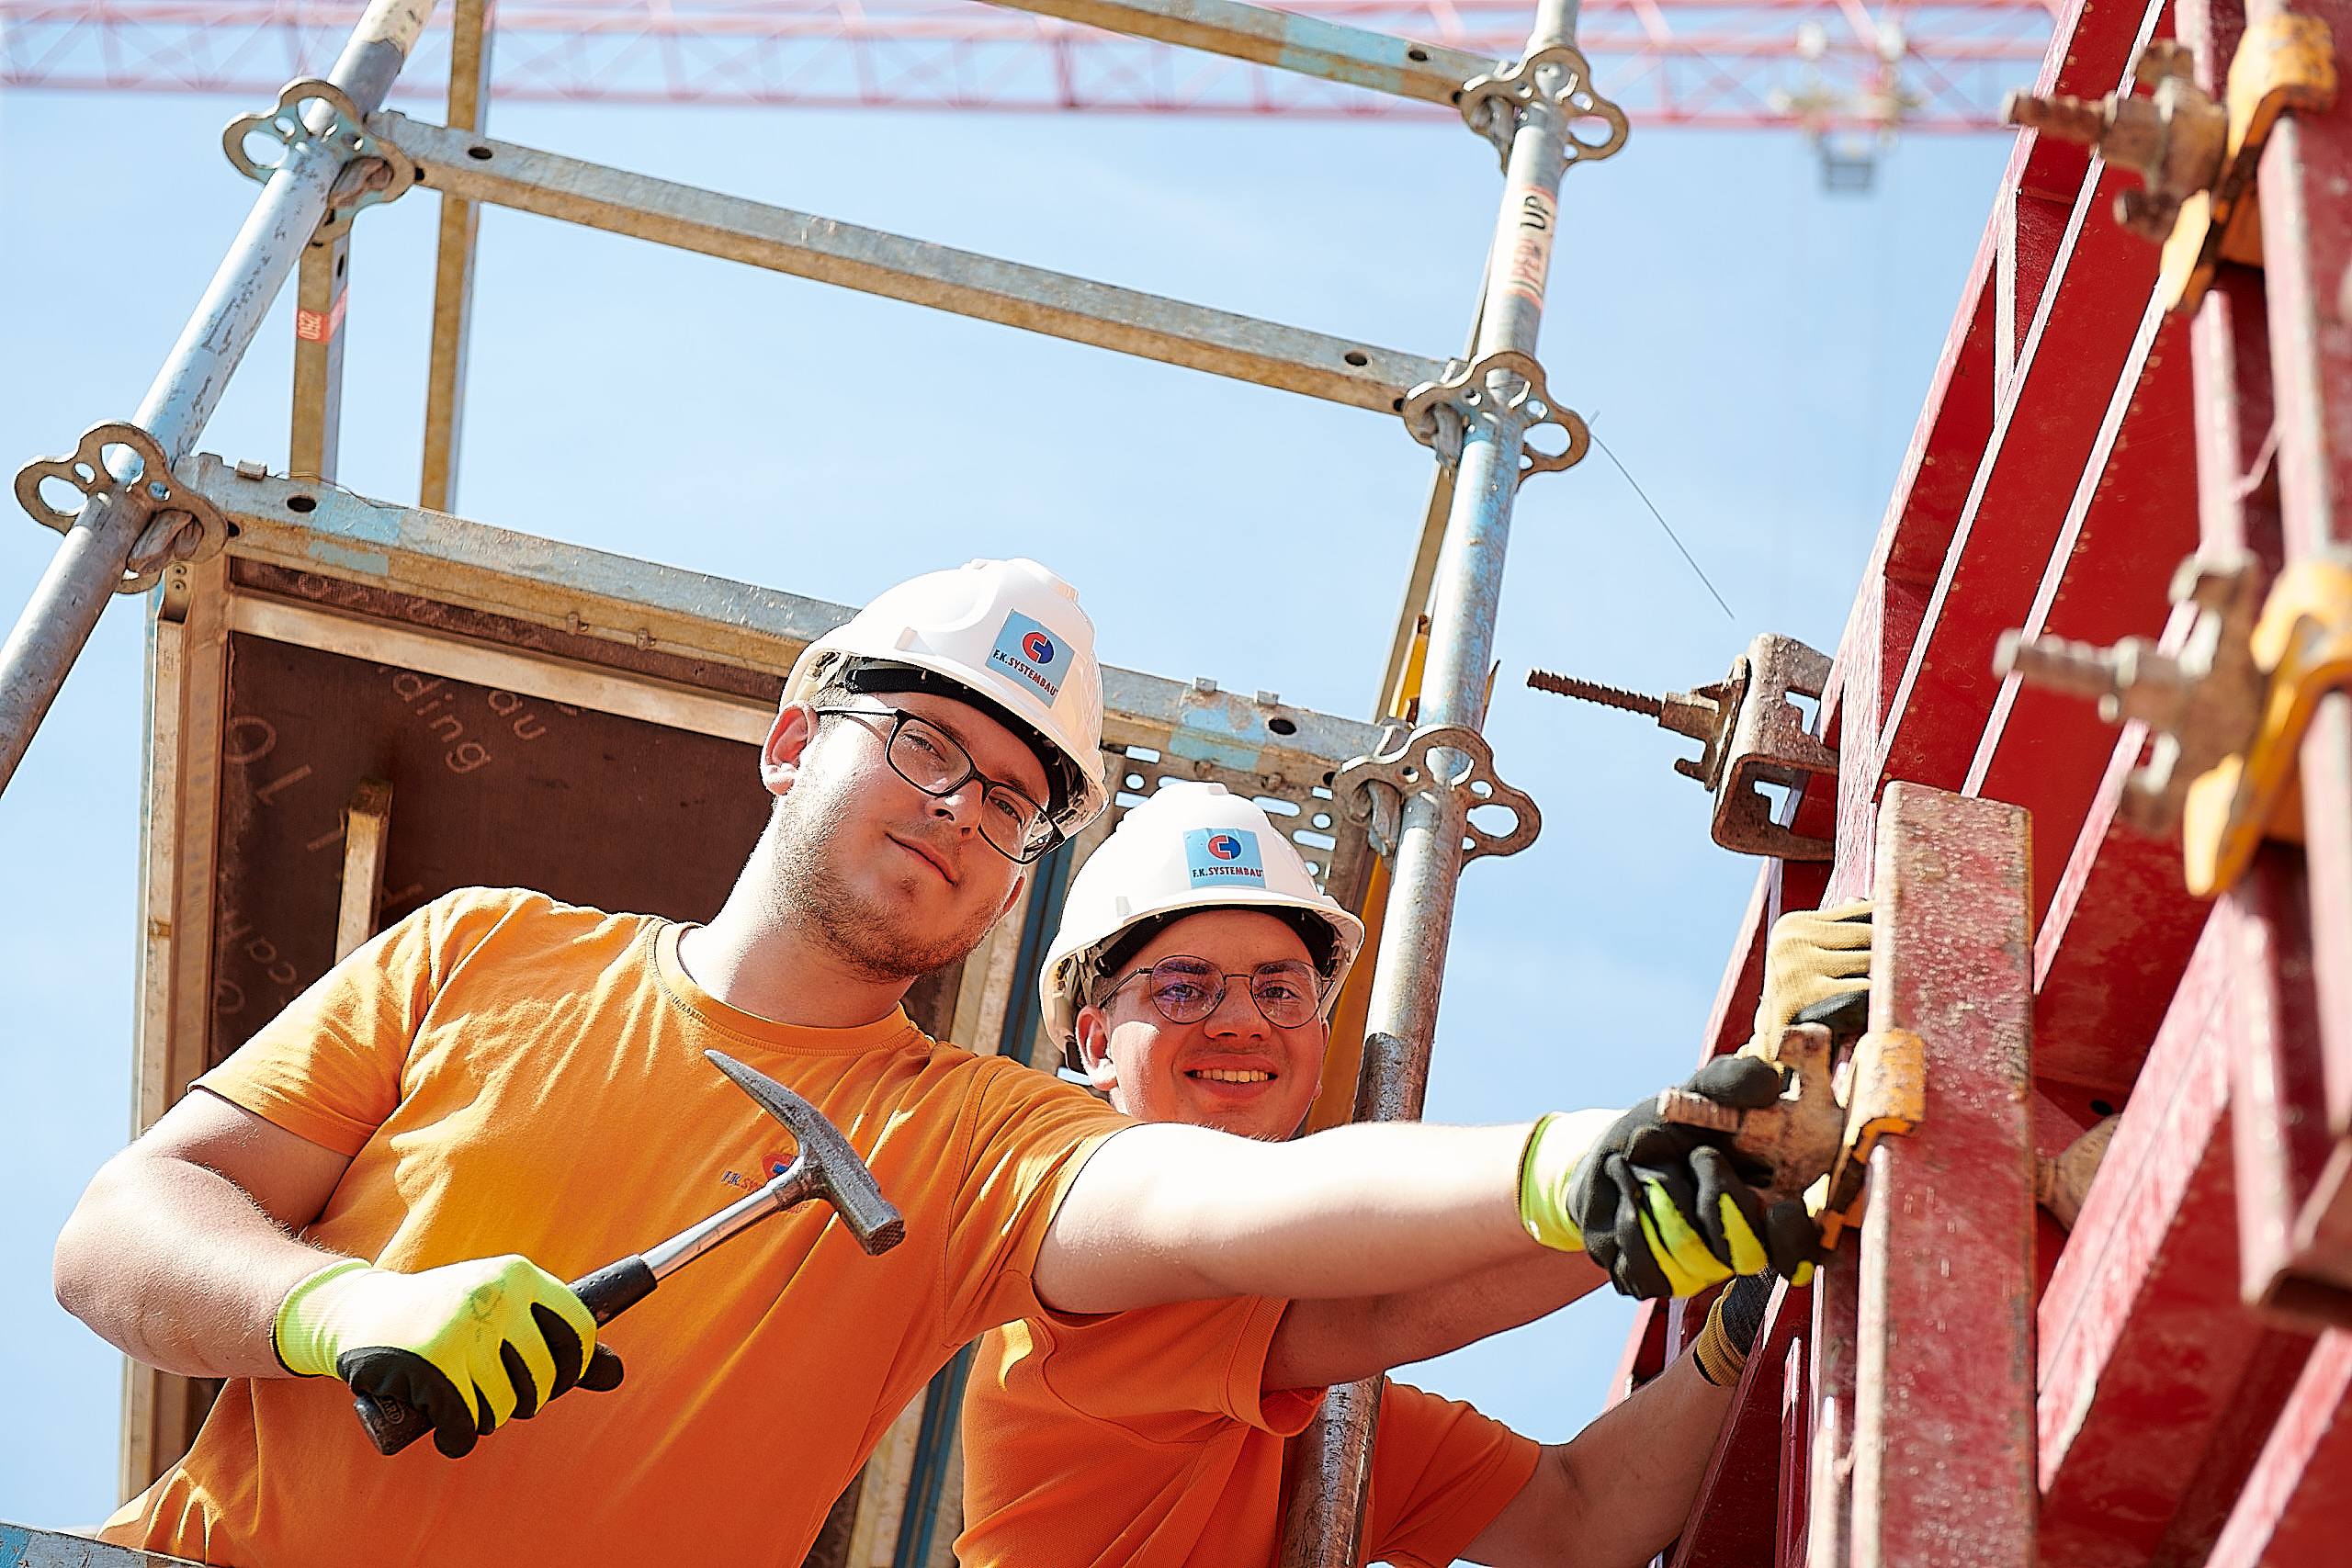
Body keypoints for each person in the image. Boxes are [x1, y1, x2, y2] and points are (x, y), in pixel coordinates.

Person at [52, 558, 1811, 1567]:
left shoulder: (971, 1137)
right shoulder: (485, 948)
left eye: (1019, 798)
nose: (966, 814)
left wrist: (1579, 1164)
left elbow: (1220, 1212)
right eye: (926, 745)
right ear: (792, 738)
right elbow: (124, 1230)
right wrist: (341, 1313)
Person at [956, 783, 1858, 1568]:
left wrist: (1738, 1329)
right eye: (1184, 988)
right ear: (1095, 1044)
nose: (1242, 1022)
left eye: (1280, 989)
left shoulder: (1299, 1421)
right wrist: (1720, 1125)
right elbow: (1382, 1304)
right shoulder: (1074, 1295)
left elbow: (1580, 1518)